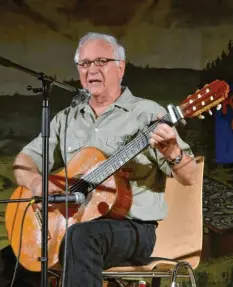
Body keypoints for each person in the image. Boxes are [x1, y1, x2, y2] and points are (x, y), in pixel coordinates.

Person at [0, 32, 197, 287]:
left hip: (133, 229)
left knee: (81, 237)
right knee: (9, 260)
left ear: (121, 68)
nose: (91, 69)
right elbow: (24, 161)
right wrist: (39, 185)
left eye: (101, 61)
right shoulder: (66, 119)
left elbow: (190, 175)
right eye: (84, 63)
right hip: (73, 226)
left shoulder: (147, 113)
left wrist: (173, 152)